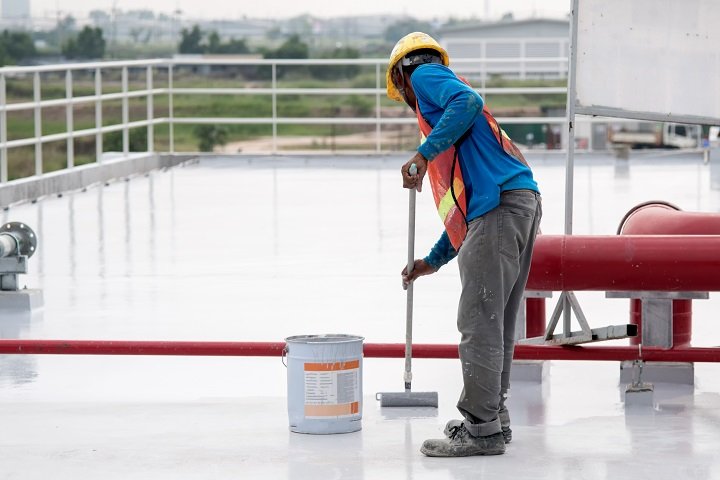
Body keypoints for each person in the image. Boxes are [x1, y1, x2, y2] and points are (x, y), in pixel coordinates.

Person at [387, 32, 542, 457]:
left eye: (398, 86)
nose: (404, 94)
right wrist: (432, 261)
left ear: (401, 74)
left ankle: (480, 430)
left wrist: (422, 154)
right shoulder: (461, 136)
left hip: (501, 209)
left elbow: (467, 101)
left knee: (479, 321)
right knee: (498, 321)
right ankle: (494, 417)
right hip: (517, 204)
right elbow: (466, 212)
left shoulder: (424, 76)